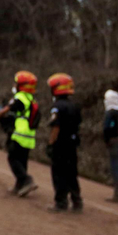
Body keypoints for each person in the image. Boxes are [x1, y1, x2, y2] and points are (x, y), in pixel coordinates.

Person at [0, 71, 39, 197]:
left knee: (12, 158)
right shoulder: (31, 99)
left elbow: (4, 111)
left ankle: (27, 180)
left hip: (19, 133)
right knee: (22, 160)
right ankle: (19, 185)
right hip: (29, 135)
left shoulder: (20, 98)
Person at [45, 73, 83, 212]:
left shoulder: (57, 106)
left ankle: (61, 202)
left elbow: (56, 127)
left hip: (60, 144)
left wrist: (50, 143)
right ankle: (77, 201)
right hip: (72, 143)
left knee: (59, 173)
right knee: (72, 172)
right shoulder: (75, 106)